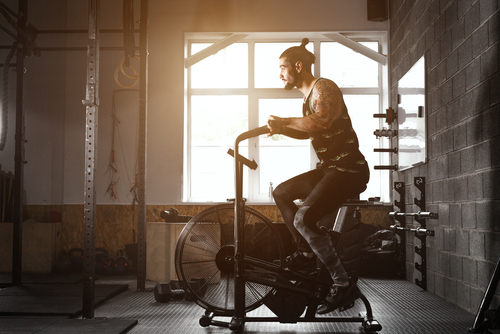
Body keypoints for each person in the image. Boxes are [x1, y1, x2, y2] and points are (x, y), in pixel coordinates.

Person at [266, 38, 370, 314]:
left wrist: (283, 122)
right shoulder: (306, 99)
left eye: (283, 67)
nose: (280, 74)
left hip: (349, 169)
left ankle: (342, 283)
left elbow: (322, 120)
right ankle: (304, 250)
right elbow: (307, 130)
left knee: (303, 218)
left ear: (298, 66)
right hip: (331, 167)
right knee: (281, 192)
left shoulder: (324, 88)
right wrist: (280, 129)